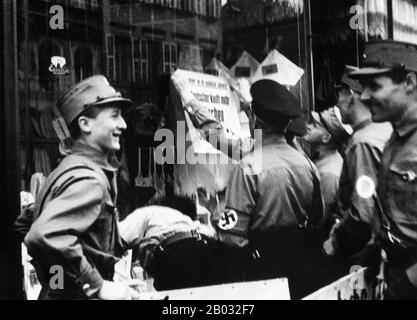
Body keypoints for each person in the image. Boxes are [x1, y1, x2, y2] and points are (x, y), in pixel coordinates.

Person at [23, 75, 138, 300]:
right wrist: (97, 285)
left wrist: (54, 276)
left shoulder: (65, 169)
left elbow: (26, 223)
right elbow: (43, 234)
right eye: (114, 115)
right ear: (85, 124)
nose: (123, 124)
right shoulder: (89, 178)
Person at [349, 40, 417, 300]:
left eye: (374, 86)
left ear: (409, 83)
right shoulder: (395, 139)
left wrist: (407, 287)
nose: (364, 97)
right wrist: (377, 247)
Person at [324, 66, 392, 262]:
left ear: (350, 96)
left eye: (339, 94)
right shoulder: (384, 129)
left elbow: (363, 212)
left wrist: (334, 244)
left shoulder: (363, 142)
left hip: (368, 251)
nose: (337, 102)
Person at [119, 195, 223, 291]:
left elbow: (115, 238)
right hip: (208, 251)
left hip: (174, 256)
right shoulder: (193, 224)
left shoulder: (150, 211)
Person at [303, 107, 351, 229]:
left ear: (326, 138)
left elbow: (319, 220)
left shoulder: (329, 174)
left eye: (314, 125)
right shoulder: (325, 158)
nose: (308, 126)